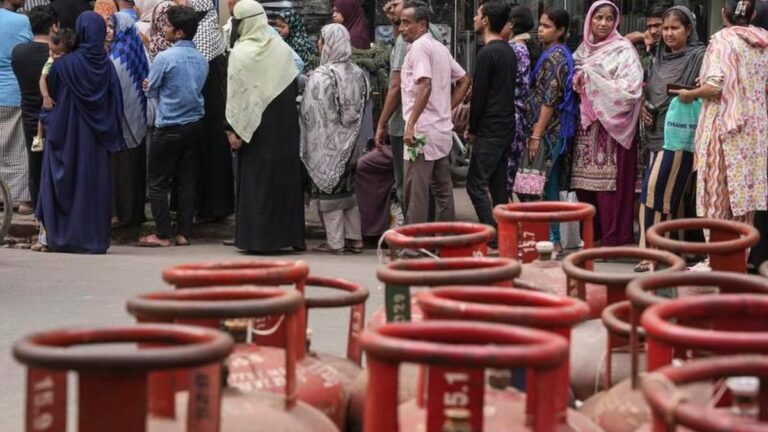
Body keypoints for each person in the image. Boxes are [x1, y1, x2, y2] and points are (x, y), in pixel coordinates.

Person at [36, 11, 126, 253]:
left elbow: (49, 99)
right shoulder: (107, 67)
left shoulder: (63, 64)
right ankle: (93, 240)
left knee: (65, 185)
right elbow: (115, 103)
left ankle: (61, 238)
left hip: (64, 136)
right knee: (93, 188)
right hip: (96, 141)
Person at [673, 0, 768, 229]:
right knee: (745, 196)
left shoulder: (722, 40)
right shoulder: (763, 41)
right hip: (755, 130)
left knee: (715, 195)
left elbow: (715, 87)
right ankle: (739, 256)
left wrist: (690, 93)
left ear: (724, 14)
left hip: (723, 127)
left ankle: (714, 256)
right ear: (753, 14)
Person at [226, 0, 305, 252]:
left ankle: (258, 240)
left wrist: (234, 129)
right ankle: (288, 237)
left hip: (256, 131)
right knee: (283, 181)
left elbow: (237, 95)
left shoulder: (240, 52)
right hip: (284, 129)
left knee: (257, 183)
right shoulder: (281, 50)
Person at [635, 6, 705, 272]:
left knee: (656, 192)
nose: (668, 33)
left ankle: (650, 253)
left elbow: (706, 88)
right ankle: (670, 254)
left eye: (674, 28)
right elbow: (651, 90)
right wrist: (643, 105)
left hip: (680, 133)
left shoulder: (700, 56)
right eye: (664, 28)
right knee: (664, 196)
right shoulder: (659, 57)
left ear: (689, 30)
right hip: (654, 133)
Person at [571, 0, 643, 247]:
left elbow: (631, 90)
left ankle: (613, 238)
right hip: (585, 129)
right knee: (585, 186)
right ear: (589, 19)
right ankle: (592, 237)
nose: (603, 23)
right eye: (598, 17)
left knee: (609, 188)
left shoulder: (623, 50)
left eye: (608, 19)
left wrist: (592, 80)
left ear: (616, 22)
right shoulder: (582, 50)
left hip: (612, 129)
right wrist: (578, 80)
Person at [139, 5, 207, 247]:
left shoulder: (164, 58)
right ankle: (183, 233)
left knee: (157, 182)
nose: (164, 29)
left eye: (167, 26)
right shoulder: (201, 58)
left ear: (178, 32)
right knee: (187, 180)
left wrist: (148, 85)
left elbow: (151, 90)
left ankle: (163, 234)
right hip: (195, 124)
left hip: (169, 125)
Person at [400, 0, 470, 226]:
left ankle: (413, 249)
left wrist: (410, 125)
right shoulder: (439, 48)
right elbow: (464, 79)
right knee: (443, 191)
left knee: (416, 193)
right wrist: (445, 109)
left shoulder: (419, 48)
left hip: (421, 133)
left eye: (406, 23)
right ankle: (445, 245)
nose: (401, 28)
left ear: (421, 25)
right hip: (440, 131)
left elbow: (425, 85)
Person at [300, 24, 368, 254]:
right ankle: (355, 239)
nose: (318, 44)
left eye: (321, 40)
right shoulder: (358, 73)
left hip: (325, 148)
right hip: (351, 145)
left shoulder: (321, 75)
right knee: (348, 193)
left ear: (328, 43)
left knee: (329, 194)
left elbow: (310, 113)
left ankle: (335, 242)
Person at [521, 7, 578, 251]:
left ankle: (546, 238)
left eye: (547, 27)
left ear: (561, 30)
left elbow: (549, 100)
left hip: (548, 132)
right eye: (540, 25)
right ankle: (552, 238)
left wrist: (535, 134)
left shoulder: (556, 57)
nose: (540, 31)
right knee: (550, 184)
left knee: (536, 184)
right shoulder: (553, 53)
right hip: (549, 132)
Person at [465, 0, 516, 238]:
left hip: (489, 128)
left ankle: (493, 235)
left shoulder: (487, 53)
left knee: (475, 185)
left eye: (477, 14)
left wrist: (472, 129)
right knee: (497, 186)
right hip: (505, 126)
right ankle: (506, 235)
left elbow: (479, 96)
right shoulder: (508, 51)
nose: (474, 18)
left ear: (485, 20)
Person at [11, 5, 57, 210]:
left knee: (34, 164)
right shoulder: (56, 56)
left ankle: (38, 209)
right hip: (55, 116)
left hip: (29, 116)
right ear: (54, 26)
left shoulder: (19, 52)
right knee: (56, 165)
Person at [109, 11, 150, 227]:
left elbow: (119, 92)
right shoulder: (137, 47)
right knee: (136, 169)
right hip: (138, 120)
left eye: (111, 26)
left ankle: (123, 215)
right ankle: (135, 213)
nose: (109, 30)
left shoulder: (117, 57)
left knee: (122, 171)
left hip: (122, 124)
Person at [0, 0, 34, 215]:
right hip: (13, 91)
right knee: (18, 150)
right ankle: (21, 200)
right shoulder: (22, 21)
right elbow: (30, 51)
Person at [500, 5, 533, 194]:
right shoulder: (520, 48)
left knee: (505, 176)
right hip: (517, 116)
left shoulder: (515, 49)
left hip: (512, 116)